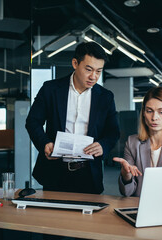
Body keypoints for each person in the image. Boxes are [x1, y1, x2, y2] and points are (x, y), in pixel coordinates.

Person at [26, 42, 120, 194]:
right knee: (52, 216)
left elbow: (113, 131)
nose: (93, 76)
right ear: (75, 63)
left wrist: (103, 145)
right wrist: (44, 143)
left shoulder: (106, 97)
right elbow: (32, 121)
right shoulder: (50, 89)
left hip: (88, 172)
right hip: (55, 170)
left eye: (98, 71)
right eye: (88, 70)